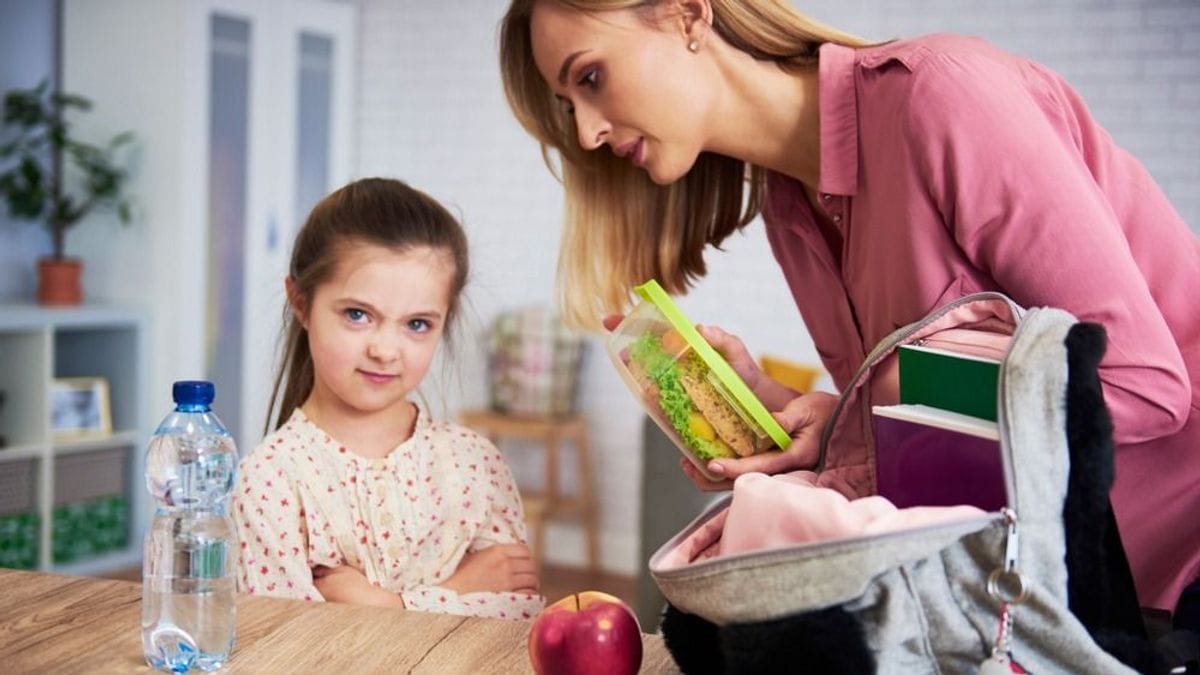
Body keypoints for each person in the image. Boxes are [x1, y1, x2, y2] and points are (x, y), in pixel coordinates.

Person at [498, 0, 1200, 623]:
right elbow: (939, 430)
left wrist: (883, 408)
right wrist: (825, 424)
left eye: (589, 77)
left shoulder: (944, 97)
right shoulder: (790, 210)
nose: (587, 131)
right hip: (1065, 593)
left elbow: (1145, 385)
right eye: (568, 105)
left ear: (688, 13)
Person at [232, 178, 543, 620]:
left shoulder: (476, 464)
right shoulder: (271, 481)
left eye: (417, 324)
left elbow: (514, 623)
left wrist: (385, 604)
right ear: (301, 304)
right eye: (358, 315)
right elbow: (285, 649)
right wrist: (457, 592)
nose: (385, 350)